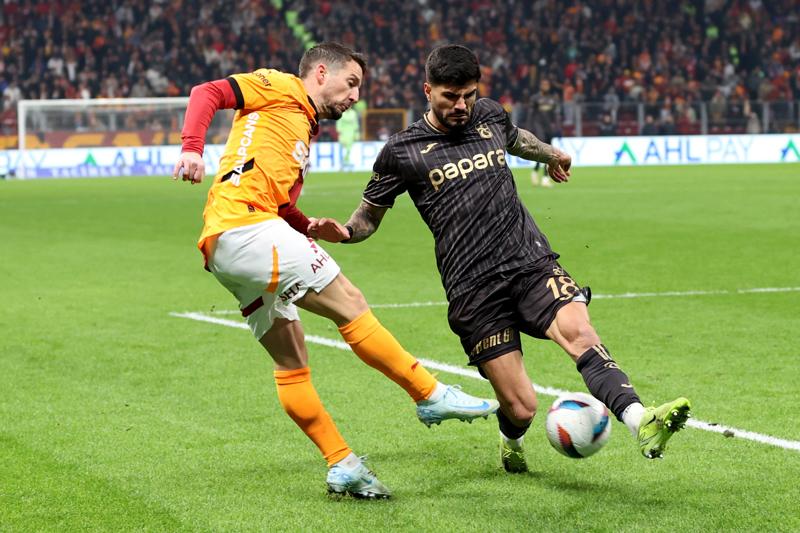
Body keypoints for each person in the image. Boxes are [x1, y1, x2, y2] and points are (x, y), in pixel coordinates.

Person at [310, 44, 691, 473]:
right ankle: (511, 440)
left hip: (530, 262)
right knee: (522, 407)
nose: (461, 106)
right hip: (474, 290)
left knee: (580, 332)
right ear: (428, 91)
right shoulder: (402, 151)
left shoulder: (489, 114)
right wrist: (344, 233)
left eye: (468, 95)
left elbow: (516, 138)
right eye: (450, 97)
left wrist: (552, 154)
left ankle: (641, 420)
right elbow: (368, 217)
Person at [172, 42, 498, 499]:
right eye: (351, 84)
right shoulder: (280, 86)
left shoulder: (299, 126)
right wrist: (192, 149)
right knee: (350, 302)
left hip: (227, 244)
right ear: (321, 72)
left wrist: (308, 226)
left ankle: (342, 463)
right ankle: (429, 394)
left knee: (291, 361)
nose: (355, 97)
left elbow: (280, 203)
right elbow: (206, 92)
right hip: (247, 227)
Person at [527, 78, 560, 188]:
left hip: (548, 129)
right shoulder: (535, 98)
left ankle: (536, 172)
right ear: (540, 86)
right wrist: (529, 128)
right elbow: (530, 114)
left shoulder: (552, 99)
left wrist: (558, 128)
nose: (546, 86)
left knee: (548, 153)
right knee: (545, 152)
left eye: (547, 84)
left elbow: (556, 115)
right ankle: (545, 178)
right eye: (544, 84)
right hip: (538, 128)